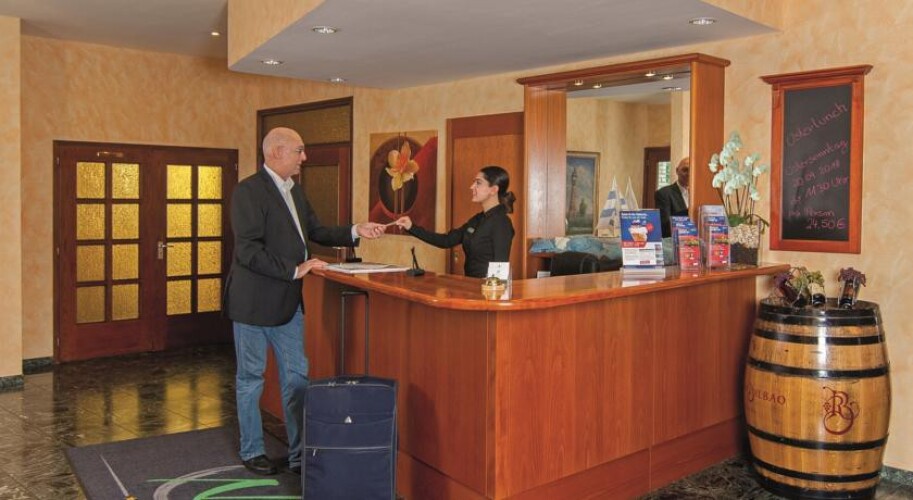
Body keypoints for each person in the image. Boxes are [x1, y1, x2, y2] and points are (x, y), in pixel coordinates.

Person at [224, 127, 385, 475]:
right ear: (276, 152)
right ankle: (252, 450)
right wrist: (295, 269)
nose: (304, 157)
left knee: (297, 379)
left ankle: (300, 455)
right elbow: (248, 250)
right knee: (251, 379)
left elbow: (316, 231)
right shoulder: (248, 191)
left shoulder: (294, 191)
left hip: (288, 306)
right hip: (251, 305)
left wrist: (356, 230)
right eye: (299, 151)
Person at [394, 165, 515, 278]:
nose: (472, 187)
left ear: (493, 190)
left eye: (478, 183)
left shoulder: (501, 223)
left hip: (486, 290)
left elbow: (500, 268)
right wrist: (411, 227)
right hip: (470, 286)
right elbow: (446, 240)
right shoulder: (477, 219)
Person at [655, 157, 690, 238]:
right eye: (685, 170)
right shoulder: (664, 193)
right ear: (677, 171)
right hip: (674, 241)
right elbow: (664, 225)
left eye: (692, 170)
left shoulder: (699, 193)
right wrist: (689, 212)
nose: (689, 173)